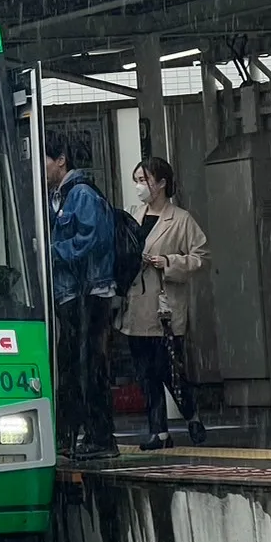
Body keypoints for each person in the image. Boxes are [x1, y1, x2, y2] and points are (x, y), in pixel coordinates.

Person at [118, 157, 209, 450]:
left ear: (161, 183)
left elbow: (201, 257)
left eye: (143, 180)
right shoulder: (133, 215)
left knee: (170, 370)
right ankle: (158, 432)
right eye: (136, 181)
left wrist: (168, 262)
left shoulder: (181, 220)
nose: (139, 187)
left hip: (163, 308)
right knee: (145, 374)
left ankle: (191, 414)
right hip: (136, 305)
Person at [45, 131, 118, 459]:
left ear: (61, 160)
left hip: (89, 291)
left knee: (89, 365)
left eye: (45, 160)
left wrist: (52, 252)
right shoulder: (58, 196)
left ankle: (100, 438)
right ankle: (72, 436)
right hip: (71, 294)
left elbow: (93, 240)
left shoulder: (82, 194)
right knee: (73, 365)